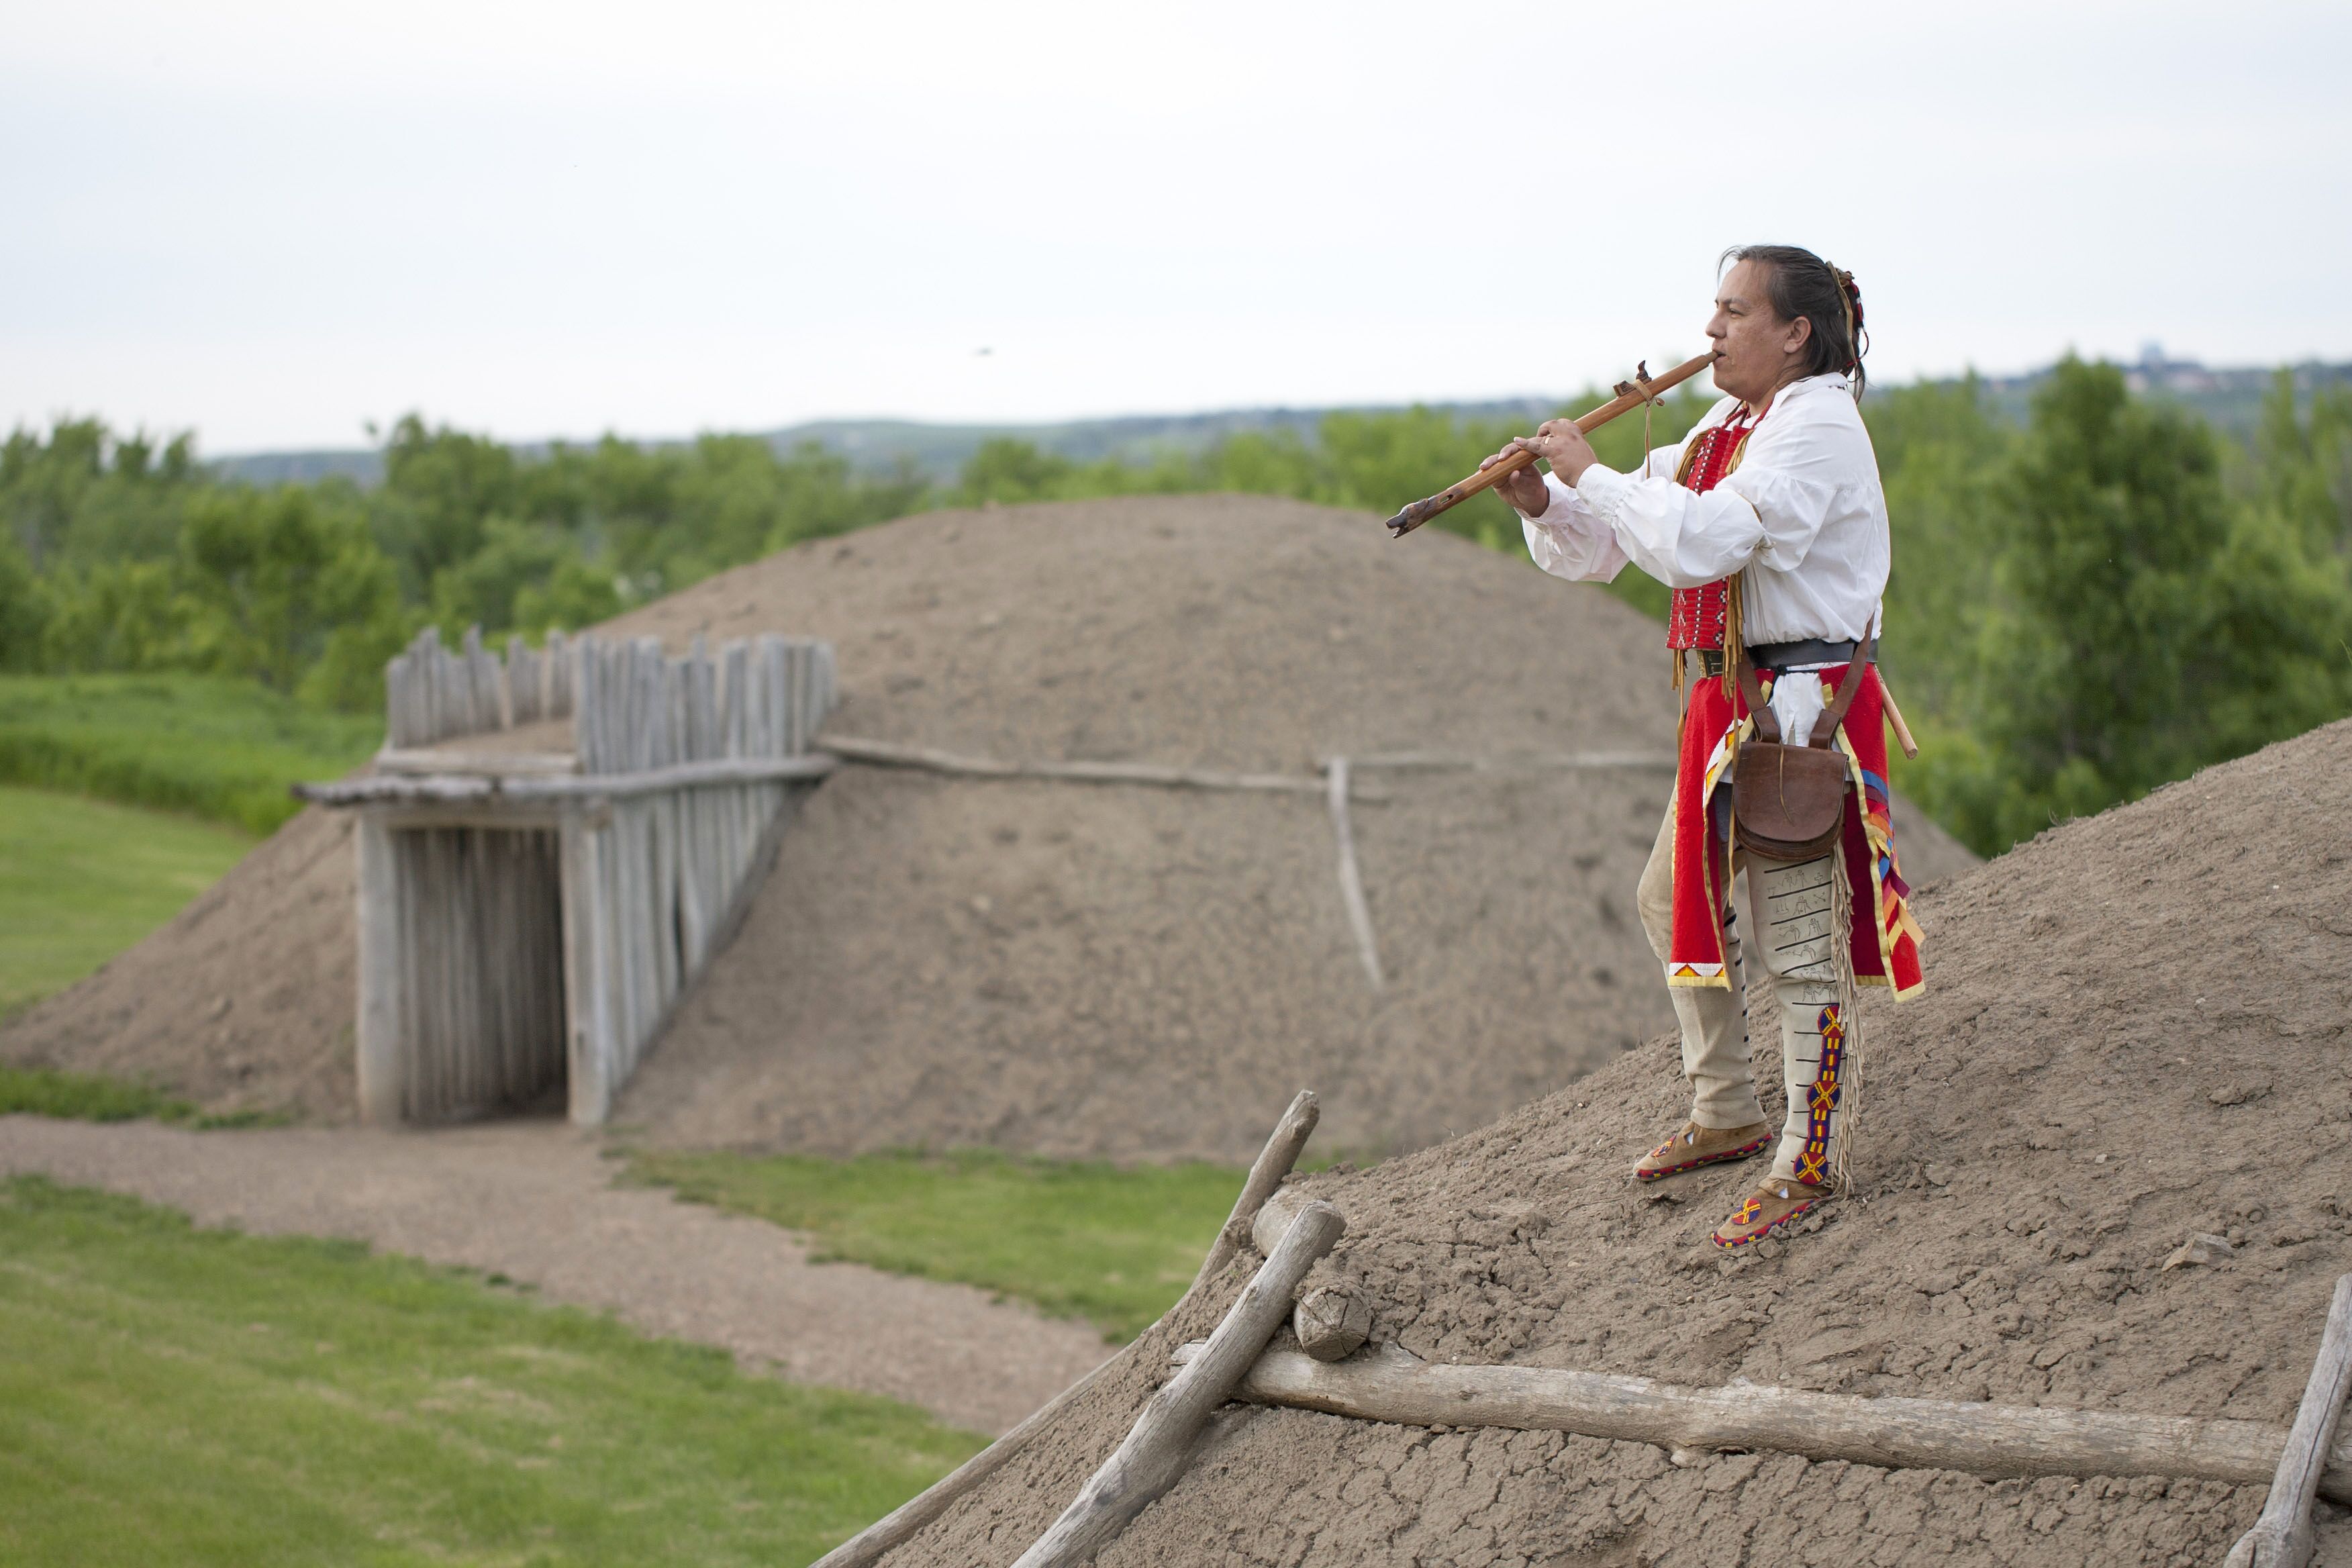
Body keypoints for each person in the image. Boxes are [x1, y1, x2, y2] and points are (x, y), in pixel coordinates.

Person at [1482, 244, 1924, 1248]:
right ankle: (1726, 1111)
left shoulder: (1815, 427)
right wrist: (1551, 500)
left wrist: (1591, 471)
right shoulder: (1729, 424)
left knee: (1799, 942)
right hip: (1732, 710)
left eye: (1732, 312)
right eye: (1712, 311)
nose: (1712, 332)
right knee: (1666, 896)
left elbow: (1702, 542)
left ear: (1795, 332)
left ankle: (1811, 1156)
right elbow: (1625, 537)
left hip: (1801, 711)